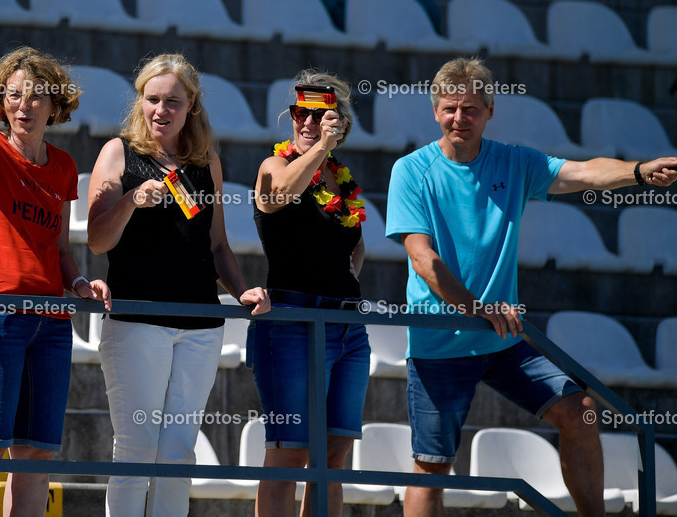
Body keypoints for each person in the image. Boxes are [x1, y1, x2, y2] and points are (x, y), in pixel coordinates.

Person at [384, 57, 677, 517]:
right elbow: (423, 259)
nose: (458, 118)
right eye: (449, 108)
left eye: (470, 109)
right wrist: (476, 308)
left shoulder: (515, 161)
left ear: (490, 110)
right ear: (434, 110)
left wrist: (639, 171)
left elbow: (582, 174)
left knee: (580, 410)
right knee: (432, 467)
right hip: (440, 341)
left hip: (501, 338)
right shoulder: (411, 170)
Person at [87, 53, 270, 516]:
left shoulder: (206, 162)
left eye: (173, 101)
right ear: (140, 101)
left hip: (201, 324)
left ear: (192, 106)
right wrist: (130, 200)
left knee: (178, 449)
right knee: (137, 444)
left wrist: (241, 289)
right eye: (152, 99)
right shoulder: (118, 152)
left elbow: (218, 246)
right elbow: (95, 240)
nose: (161, 110)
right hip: (136, 320)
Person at [0, 46, 111, 517]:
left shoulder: (61, 166)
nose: (24, 105)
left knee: (36, 453)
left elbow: (59, 248)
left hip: (50, 319)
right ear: (1, 101)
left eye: (37, 96)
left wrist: (80, 283)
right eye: (14, 95)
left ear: (55, 106)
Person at [251, 71, 371, 516]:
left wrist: (345, 285)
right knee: (289, 452)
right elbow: (279, 193)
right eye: (301, 113)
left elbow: (357, 246)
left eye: (320, 117)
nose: (306, 123)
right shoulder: (274, 164)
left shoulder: (341, 178)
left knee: (334, 455)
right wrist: (321, 147)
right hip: (292, 322)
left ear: (339, 123)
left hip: (347, 325)